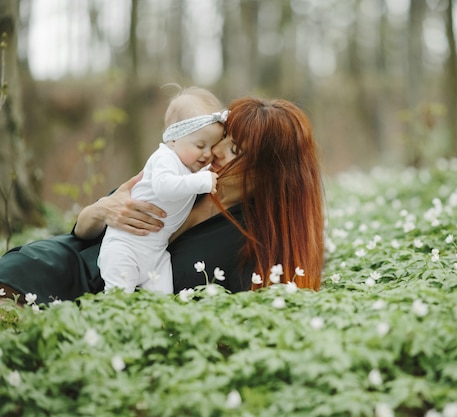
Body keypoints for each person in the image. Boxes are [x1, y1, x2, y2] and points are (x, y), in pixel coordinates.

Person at [0, 96, 324, 304]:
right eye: (224, 140)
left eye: (235, 150)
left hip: (101, 302)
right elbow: (80, 232)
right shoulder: (189, 175)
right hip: (61, 265)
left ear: (270, 170)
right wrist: (100, 209)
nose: (217, 153)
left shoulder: (254, 236)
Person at [99, 87, 224, 294]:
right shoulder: (164, 158)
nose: (207, 154)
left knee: (163, 299)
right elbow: (164, 187)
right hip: (125, 247)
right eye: (200, 145)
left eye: (212, 147)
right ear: (173, 138)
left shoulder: (190, 165)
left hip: (156, 254)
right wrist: (202, 180)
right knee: (118, 296)